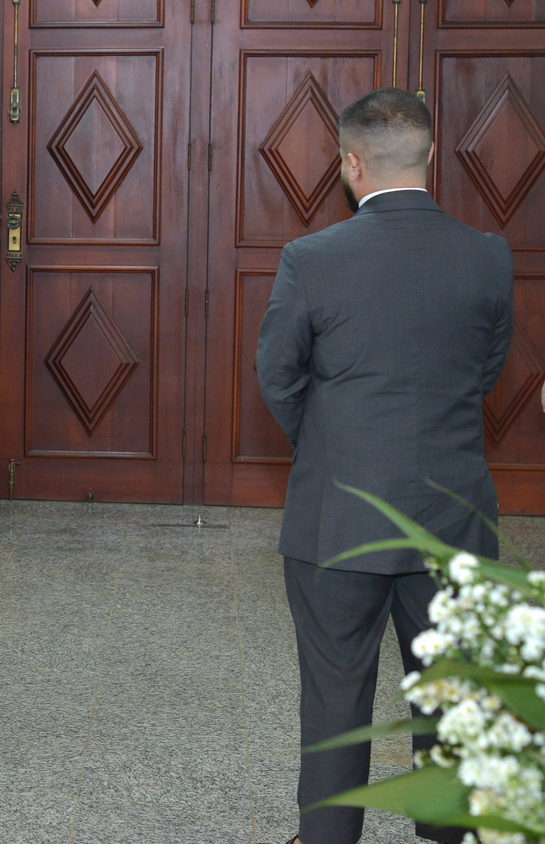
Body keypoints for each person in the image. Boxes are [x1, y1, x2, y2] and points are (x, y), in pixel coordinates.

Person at [255, 87, 513, 844]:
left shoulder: (312, 258)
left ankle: (329, 835)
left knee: (336, 695)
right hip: (453, 514)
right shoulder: (488, 257)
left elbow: (279, 375)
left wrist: (336, 445)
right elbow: (484, 372)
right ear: (432, 156)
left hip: (339, 516)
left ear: (349, 164)